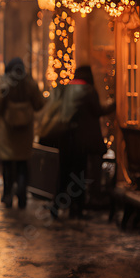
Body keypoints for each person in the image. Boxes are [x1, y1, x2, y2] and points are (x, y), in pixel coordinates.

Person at [53, 65, 115, 219]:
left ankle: (56, 206)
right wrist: (114, 104)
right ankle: (77, 208)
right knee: (79, 175)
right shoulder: (88, 91)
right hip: (81, 143)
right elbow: (98, 111)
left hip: (65, 139)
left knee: (64, 174)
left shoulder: (66, 89)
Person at [0, 57, 45, 209]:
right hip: (25, 132)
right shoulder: (30, 83)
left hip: (7, 132)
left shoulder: (3, 84)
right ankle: (22, 195)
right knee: (23, 164)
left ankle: (7, 194)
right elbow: (39, 104)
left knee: (7, 165)